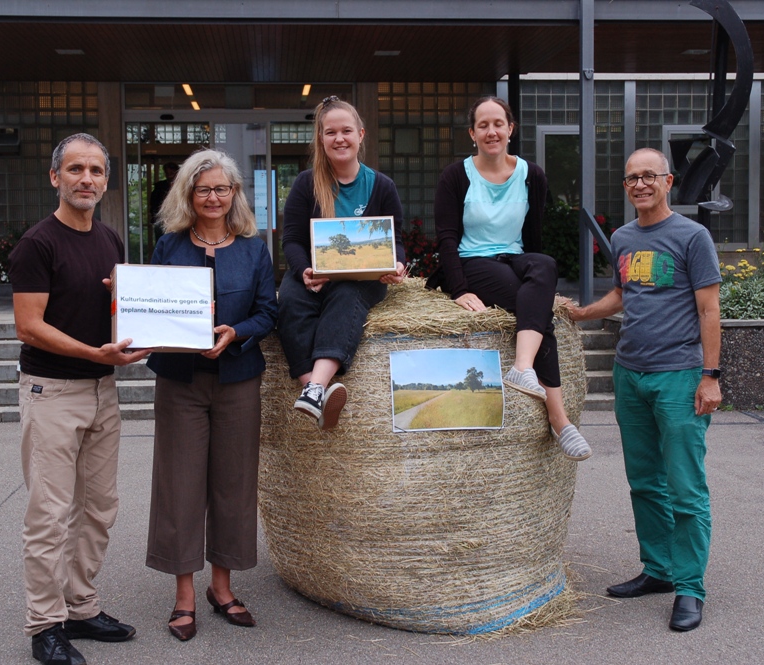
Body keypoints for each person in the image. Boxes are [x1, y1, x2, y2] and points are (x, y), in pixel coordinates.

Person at [9, 133, 151, 665]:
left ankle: (81, 606)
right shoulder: (38, 244)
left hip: (101, 391)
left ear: (106, 181)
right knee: (49, 514)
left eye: (95, 170)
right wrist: (96, 353)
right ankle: (45, 625)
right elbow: (29, 326)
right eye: (75, 170)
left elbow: (116, 307)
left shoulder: (110, 240)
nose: (85, 179)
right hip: (52, 392)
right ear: (55, 178)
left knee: (99, 508)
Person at [567, 147, 722, 632]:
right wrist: (581, 312)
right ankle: (658, 570)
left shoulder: (693, 237)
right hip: (629, 375)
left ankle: (690, 588)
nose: (640, 184)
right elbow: (621, 293)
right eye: (631, 178)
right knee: (645, 482)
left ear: (668, 181)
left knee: (685, 487)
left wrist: (710, 377)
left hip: (678, 376)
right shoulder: (623, 236)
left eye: (648, 176)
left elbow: (708, 310)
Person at [144, 149, 277, 640]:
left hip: (239, 379)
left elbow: (269, 312)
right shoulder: (169, 245)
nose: (214, 197)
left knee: (233, 484)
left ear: (235, 194)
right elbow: (152, 306)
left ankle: (221, 588)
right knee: (179, 485)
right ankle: (183, 595)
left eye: (223, 188)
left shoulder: (253, 248)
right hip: (179, 381)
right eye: (204, 189)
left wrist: (236, 332)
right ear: (188, 194)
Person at [429, 95, 591, 461]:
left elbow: (533, 236)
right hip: (474, 262)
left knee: (545, 265)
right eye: (483, 125)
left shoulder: (531, 175)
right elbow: (447, 239)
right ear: (472, 133)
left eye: (498, 124)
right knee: (533, 306)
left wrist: (545, 287)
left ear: (510, 129)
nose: (491, 131)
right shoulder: (456, 176)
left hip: (515, 257)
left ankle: (522, 368)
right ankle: (560, 419)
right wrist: (459, 289)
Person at [278, 96, 406, 429]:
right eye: (331, 132)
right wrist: (303, 270)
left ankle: (314, 389)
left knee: (346, 296)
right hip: (314, 274)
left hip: (361, 281)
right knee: (289, 300)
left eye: (346, 131)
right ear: (321, 139)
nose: (339, 139)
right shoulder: (306, 183)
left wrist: (397, 265)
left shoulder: (382, 186)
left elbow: (396, 242)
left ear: (361, 135)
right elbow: (291, 240)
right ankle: (316, 392)